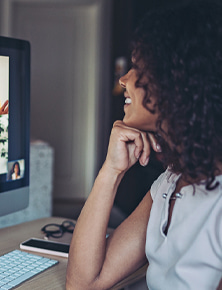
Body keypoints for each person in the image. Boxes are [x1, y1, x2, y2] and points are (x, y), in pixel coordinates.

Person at [66, 2, 222, 289]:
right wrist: (111, 171)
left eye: (138, 67)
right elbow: (84, 283)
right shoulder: (170, 183)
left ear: (177, 81)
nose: (124, 79)